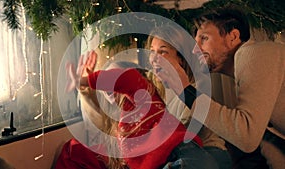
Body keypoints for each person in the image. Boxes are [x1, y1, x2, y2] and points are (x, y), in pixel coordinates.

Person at [151, 6, 285, 169]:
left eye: (204, 38)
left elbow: (246, 136)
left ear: (233, 36)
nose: (195, 48)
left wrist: (185, 90)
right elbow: (268, 139)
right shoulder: (247, 72)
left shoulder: (254, 52)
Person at [58, 51, 219, 169]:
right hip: (158, 164)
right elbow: (98, 118)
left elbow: (128, 79)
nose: (109, 82)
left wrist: (88, 80)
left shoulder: (143, 96)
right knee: (75, 148)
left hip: (179, 150)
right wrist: (83, 88)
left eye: (112, 76)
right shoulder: (118, 122)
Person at [146, 25, 232, 169]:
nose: (154, 58)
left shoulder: (196, 89)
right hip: (178, 157)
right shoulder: (155, 91)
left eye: (163, 52)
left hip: (208, 154)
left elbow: (185, 134)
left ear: (180, 58)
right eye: (152, 51)